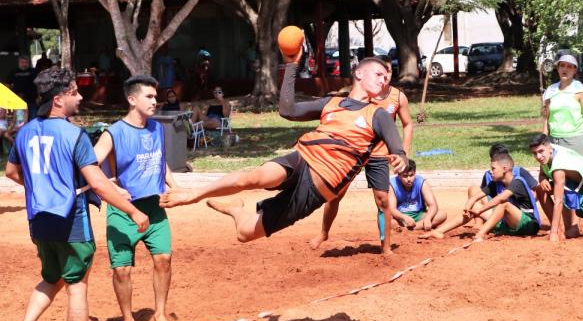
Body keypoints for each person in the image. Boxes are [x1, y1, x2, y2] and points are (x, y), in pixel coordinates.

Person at [159, 52, 407, 244]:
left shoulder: (379, 115)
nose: (384, 80)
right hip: (302, 158)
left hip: (315, 191)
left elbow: (397, 148)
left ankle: (237, 211)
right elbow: (288, 110)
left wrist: (401, 159)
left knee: (245, 234)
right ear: (359, 74)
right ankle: (192, 195)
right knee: (253, 177)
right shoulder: (332, 102)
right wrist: (290, 65)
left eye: (386, 78)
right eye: (378, 74)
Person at [6, 67, 149, 321]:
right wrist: (133, 210)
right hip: (72, 220)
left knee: (52, 277)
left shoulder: (26, 131)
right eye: (74, 92)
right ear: (59, 99)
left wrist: (42, 187)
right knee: (77, 287)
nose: (81, 96)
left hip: (40, 221)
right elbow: (96, 183)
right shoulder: (74, 134)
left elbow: (12, 173)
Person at [93, 75, 179, 321]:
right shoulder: (113, 133)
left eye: (156, 96)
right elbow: (91, 164)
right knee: (122, 270)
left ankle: (160, 313)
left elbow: (160, 161)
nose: (156, 101)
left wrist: (174, 186)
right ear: (132, 99)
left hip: (154, 208)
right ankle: (128, 319)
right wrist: (110, 184)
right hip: (123, 211)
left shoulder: (157, 129)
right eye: (149, 97)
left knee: (164, 259)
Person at [310, 56, 414, 254]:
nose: (385, 77)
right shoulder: (366, 92)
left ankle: (386, 247)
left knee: (383, 200)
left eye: (389, 72)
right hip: (354, 151)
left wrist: (403, 153)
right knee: (335, 195)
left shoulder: (398, 97)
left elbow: (408, 124)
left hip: (380, 155)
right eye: (380, 73)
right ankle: (324, 232)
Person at [421, 151, 540, 241]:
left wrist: (479, 211)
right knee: (475, 208)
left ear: (505, 169)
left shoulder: (517, 181)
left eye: (493, 168)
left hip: (529, 224)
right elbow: (475, 197)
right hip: (509, 224)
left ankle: (480, 234)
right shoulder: (496, 183)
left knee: (503, 205)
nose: (491, 171)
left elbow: (501, 199)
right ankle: (439, 231)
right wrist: (468, 208)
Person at [541, 54, 583, 160]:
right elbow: (546, 119)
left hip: (575, 140)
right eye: (562, 65)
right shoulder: (550, 90)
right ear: (557, 68)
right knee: (556, 175)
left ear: (575, 70)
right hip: (554, 141)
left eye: (569, 66)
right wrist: (543, 141)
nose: (565, 69)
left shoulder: (581, 90)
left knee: (574, 175)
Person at [389, 159, 446, 231]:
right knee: (386, 217)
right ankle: (416, 227)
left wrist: (428, 218)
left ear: (415, 173)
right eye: (405, 176)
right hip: (400, 217)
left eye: (411, 175)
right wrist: (404, 217)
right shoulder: (392, 184)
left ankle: (408, 229)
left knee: (442, 214)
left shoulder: (421, 182)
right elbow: (392, 209)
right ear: (399, 176)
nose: (409, 179)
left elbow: (433, 205)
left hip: (419, 215)